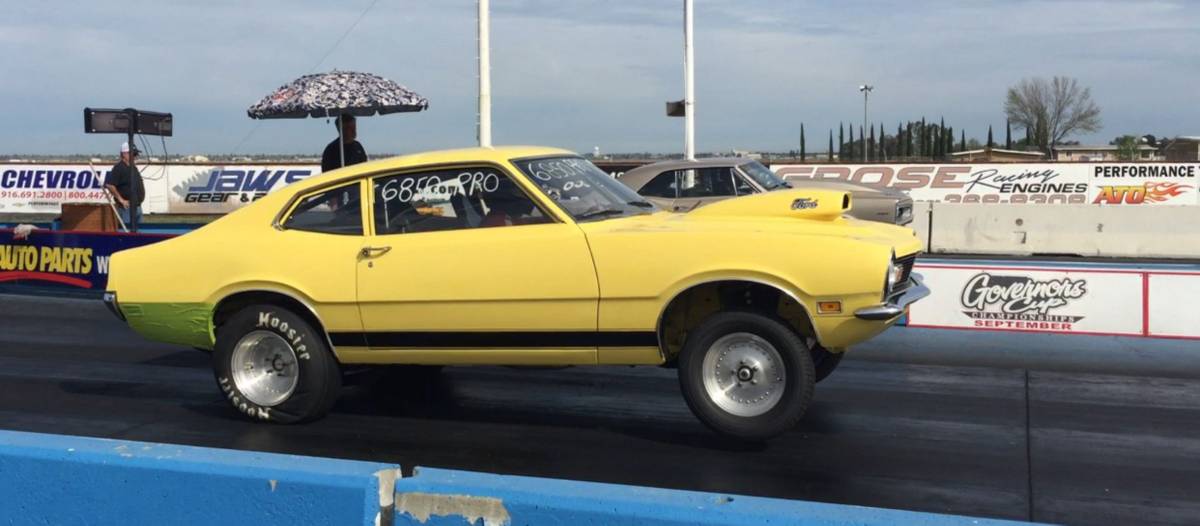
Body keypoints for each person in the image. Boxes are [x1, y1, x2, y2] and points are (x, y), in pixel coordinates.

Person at [104, 142, 145, 228]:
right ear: (124, 154)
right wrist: (121, 200)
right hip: (126, 208)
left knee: (141, 232)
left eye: (135, 154)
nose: (135, 156)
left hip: (137, 206)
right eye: (133, 154)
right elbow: (110, 185)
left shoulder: (133, 167)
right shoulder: (119, 168)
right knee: (126, 232)